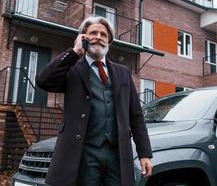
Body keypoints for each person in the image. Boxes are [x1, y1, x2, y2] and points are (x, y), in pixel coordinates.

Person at [36, 16, 153, 186]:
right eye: (93, 33)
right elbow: (43, 81)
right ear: (83, 37)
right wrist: (75, 52)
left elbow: (136, 116)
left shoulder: (123, 73)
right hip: (84, 154)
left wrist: (144, 153)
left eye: (103, 34)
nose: (98, 36)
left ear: (109, 42)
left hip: (118, 154)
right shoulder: (72, 68)